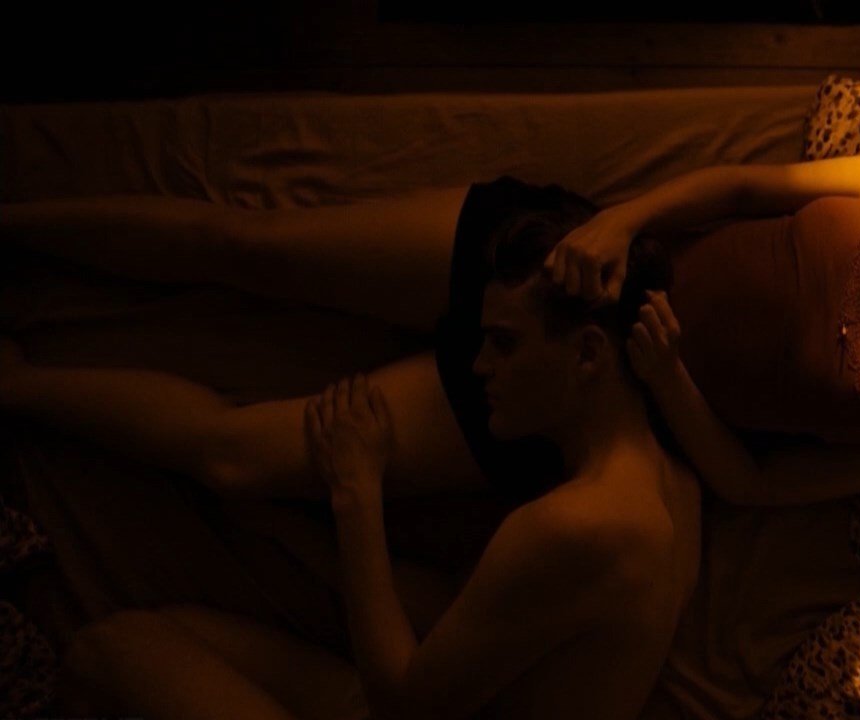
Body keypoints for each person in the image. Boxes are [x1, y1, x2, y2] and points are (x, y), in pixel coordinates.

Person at [0, 155, 860, 507]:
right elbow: (747, 187)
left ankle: (12, 384)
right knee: (252, 250)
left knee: (238, 459)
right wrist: (622, 219)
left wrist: (670, 383)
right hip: (574, 251)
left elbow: (749, 486)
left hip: (582, 392)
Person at [29, 193, 702, 720]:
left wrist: (357, 492)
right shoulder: (678, 484)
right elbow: (486, 622)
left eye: (504, 343)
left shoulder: (572, 525)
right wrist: (298, 538)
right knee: (157, 640)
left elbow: (403, 706)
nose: (478, 365)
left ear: (588, 355)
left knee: (103, 654)